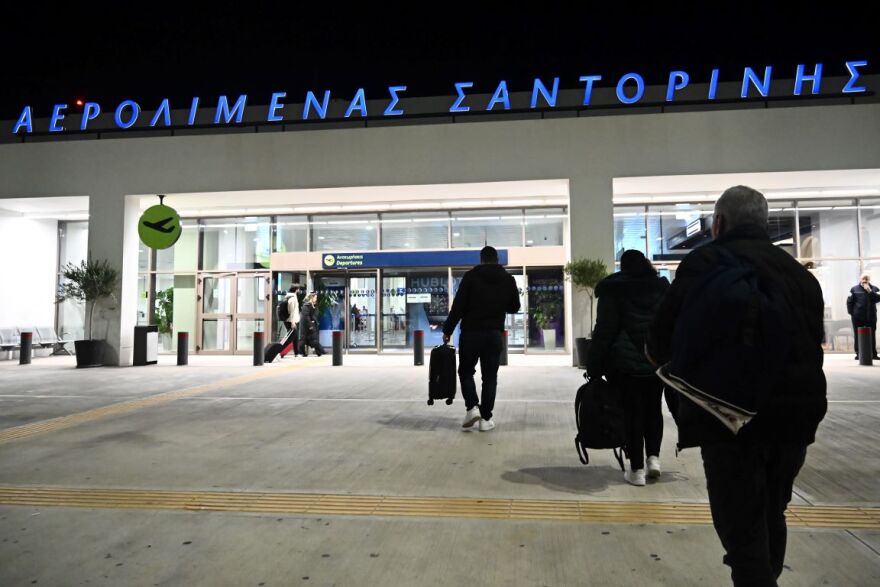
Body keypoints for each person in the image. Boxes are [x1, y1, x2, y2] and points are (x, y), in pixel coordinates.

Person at [646, 186, 827, 586]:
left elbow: (660, 341)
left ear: (719, 224)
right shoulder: (798, 274)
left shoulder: (704, 263)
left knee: (741, 530)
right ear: (764, 223)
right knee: (771, 512)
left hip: (728, 418)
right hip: (796, 418)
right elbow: (814, 343)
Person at [587, 249, 669, 486]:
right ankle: (653, 458)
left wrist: (594, 365)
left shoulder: (613, 290)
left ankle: (636, 470)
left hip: (623, 364)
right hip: (654, 360)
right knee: (653, 409)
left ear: (622, 267)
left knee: (631, 413)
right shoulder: (661, 288)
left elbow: (604, 331)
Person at [442, 246, 520, 431]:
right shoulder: (508, 279)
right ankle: (485, 419)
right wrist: (498, 304)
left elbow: (458, 306)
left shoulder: (471, 277)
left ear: (481, 259)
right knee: (490, 377)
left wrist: (448, 329)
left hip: (471, 333)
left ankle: (472, 407)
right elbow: (514, 307)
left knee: (466, 372)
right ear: (497, 259)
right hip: (494, 334)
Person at [846, 273, 880, 360]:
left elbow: (877, 299)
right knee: (857, 335)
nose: (864, 280)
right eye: (863, 278)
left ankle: (873, 354)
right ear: (860, 279)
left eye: (866, 279)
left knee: (872, 334)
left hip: (871, 316)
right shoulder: (854, 289)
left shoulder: (875, 288)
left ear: (869, 280)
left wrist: (870, 291)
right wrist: (852, 313)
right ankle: (859, 354)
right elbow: (849, 302)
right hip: (857, 317)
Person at [299, 292, 326, 357]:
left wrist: (315, 321)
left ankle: (319, 352)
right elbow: (306, 317)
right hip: (306, 326)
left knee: (312, 339)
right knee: (305, 340)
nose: (316, 299)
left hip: (312, 324)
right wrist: (310, 325)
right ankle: (320, 351)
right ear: (311, 298)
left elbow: (314, 315)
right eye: (315, 297)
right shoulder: (306, 306)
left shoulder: (314, 305)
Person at [283, 284, 302, 357]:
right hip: (291, 321)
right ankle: (279, 351)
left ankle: (296, 353)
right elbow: (292, 311)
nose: (299, 290)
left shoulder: (289, 297)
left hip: (290, 320)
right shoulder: (292, 299)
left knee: (295, 337)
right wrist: (293, 322)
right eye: (298, 289)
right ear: (296, 290)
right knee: (290, 338)